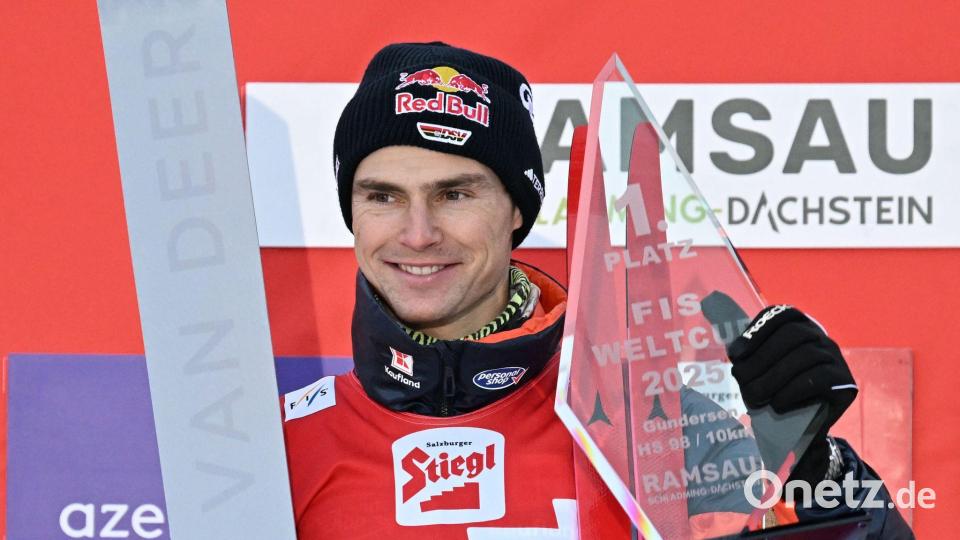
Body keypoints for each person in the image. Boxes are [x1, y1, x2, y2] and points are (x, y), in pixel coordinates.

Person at [281, 41, 912, 539]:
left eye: (455, 194)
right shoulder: (280, 444)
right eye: (383, 196)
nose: (417, 234)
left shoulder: (652, 432)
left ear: (516, 213)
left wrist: (817, 474)